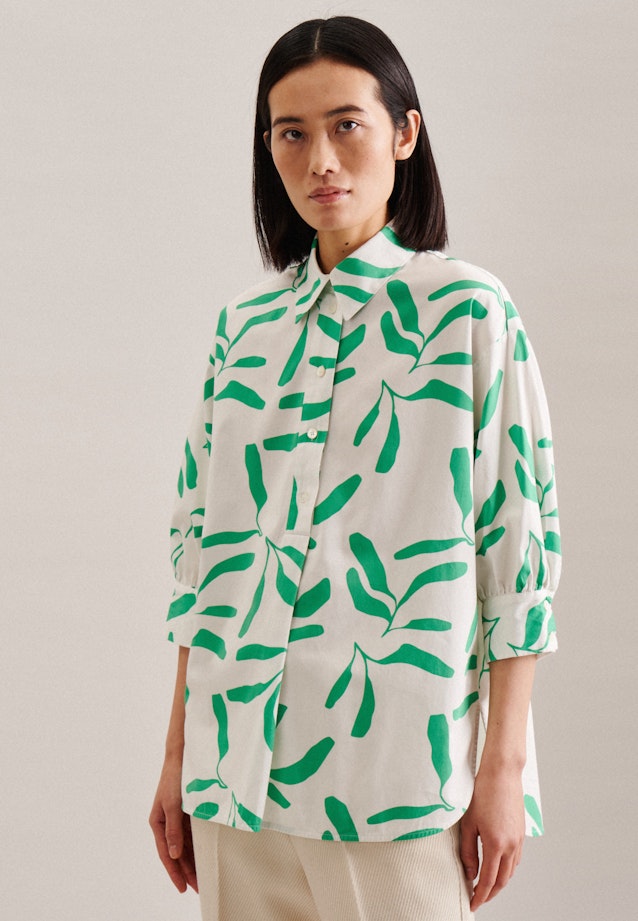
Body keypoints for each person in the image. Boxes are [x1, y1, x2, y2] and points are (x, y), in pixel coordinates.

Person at [149, 16, 560, 921]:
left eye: (347, 125)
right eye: (291, 134)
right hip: (234, 778)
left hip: (394, 781)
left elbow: (517, 553)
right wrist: (179, 757)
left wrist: (504, 768)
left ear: (405, 133)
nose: (321, 160)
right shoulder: (243, 330)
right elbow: (202, 563)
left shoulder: (468, 312)